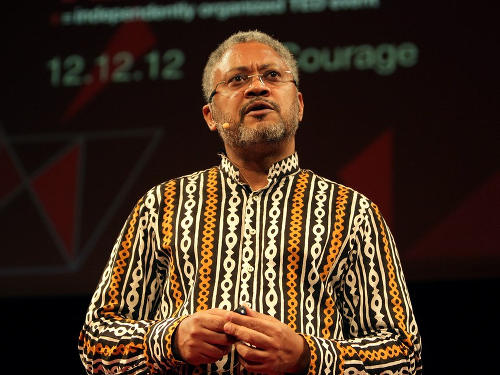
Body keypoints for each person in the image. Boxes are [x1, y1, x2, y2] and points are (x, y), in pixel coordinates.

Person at [78, 30, 422, 375]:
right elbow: (94, 342)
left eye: (272, 75)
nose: (257, 87)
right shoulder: (160, 205)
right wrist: (170, 339)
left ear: (299, 106)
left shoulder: (352, 213)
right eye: (237, 79)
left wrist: (307, 356)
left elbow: (404, 354)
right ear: (210, 116)